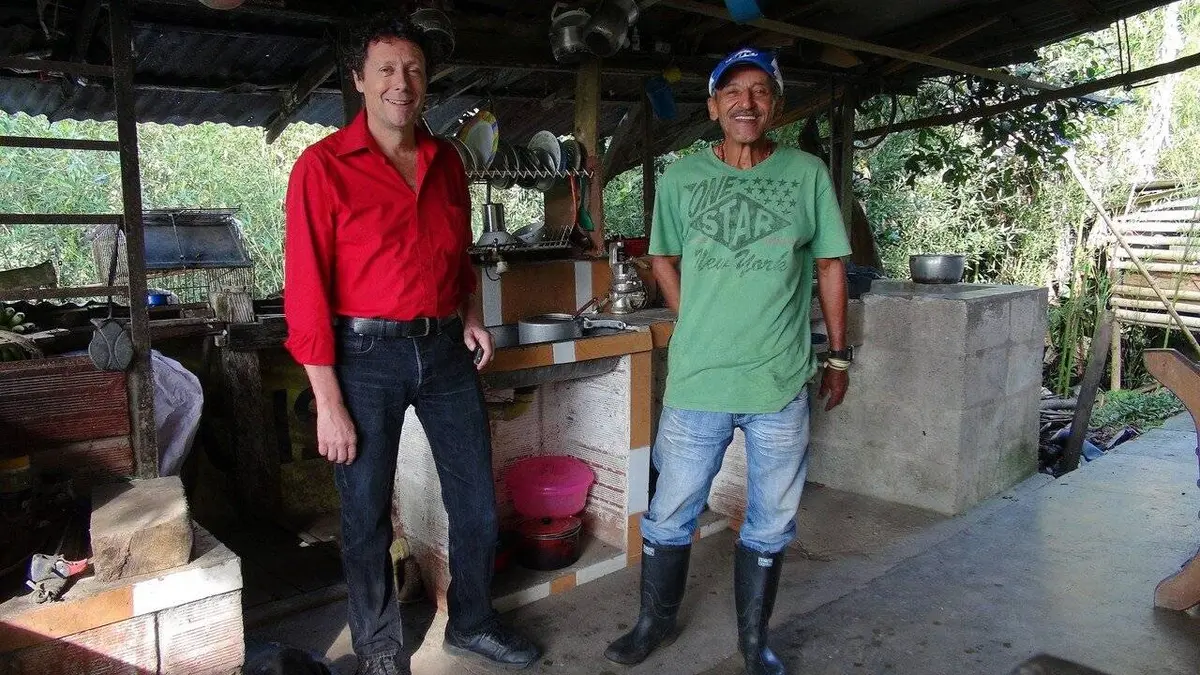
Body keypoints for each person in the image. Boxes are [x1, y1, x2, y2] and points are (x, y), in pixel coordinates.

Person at [283, 14, 540, 675]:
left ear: (427, 82)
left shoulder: (446, 161)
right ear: (360, 80)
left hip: (446, 349)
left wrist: (471, 315)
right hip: (363, 358)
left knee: (475, 499)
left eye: (415, 70)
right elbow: (305, 291)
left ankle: (473, 622)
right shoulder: (322, 168)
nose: (402, 83)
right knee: (366, 511)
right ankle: (378, 648)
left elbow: (459, 255)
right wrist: (327, 401)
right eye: (387, 70)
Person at [604, 47, 852, 675]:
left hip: (779, 381)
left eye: (761, 90)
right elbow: (662, 257)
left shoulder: (806, 174)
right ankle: (652, 624)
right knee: (670, 512)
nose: (747, 102)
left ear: (777, 105)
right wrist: (693, 317)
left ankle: (753, 643)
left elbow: (829, 265)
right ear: (713, 106)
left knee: (770, 522)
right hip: (699, 380)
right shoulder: (682, 178)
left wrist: (839, 357)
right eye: (733, 92)